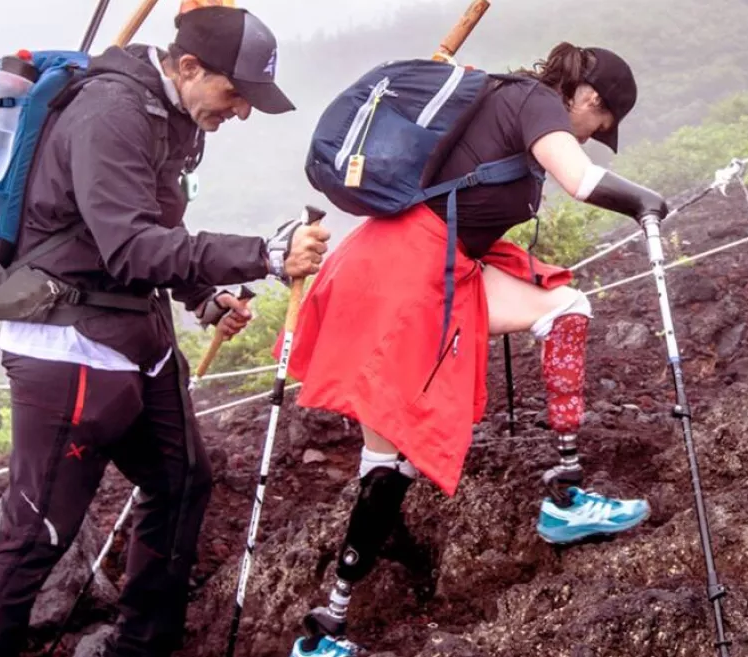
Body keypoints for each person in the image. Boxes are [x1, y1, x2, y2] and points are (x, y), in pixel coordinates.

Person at [0, 6, 331, 657]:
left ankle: (141, 643)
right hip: (68, 344)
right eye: (234, 92)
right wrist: (263, 255)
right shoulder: (111, 114)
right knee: (36, 530)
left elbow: (152, 230)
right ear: (189, 66)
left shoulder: (172, 115)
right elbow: (128, 246)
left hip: (136, 336)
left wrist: (202, 298)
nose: (241, 111)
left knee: (181, 481)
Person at [282, 42, 667, 656]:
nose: (594, 136)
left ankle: (327, 627)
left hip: (390, 260)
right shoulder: (538, 102)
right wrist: (649, 204)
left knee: (387, 462)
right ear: (591, 99)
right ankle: (565, 496)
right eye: (601, 125)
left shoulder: (499, 97)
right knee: (564, 313)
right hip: (411, 271)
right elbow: (582, 179)